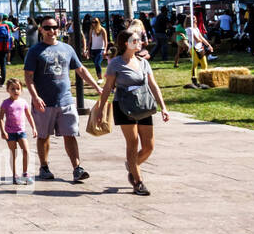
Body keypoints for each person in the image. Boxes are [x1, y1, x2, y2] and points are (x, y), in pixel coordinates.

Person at [23, 15, 102, 183]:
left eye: (55, 27)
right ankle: (44, 167)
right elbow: (28, 77)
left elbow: (81, 70)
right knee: (44, 136)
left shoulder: (67, 49)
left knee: (70, 134)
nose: (52, 31)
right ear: (41, 30)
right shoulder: (35, 51)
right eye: (47, 28)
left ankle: (77, 168)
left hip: (66, 101)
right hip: (44, 102)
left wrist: (96, 87)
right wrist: (35, 97)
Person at [93, 29, 170, 195]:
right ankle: (138, 181)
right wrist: (101, 109)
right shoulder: (116, 63)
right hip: (124, 105)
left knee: (149, 146)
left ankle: (132, 165)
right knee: (133, 144)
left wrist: (163, 107)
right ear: (125, 44)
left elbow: (153, 85)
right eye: (135, 41)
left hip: (143, 105)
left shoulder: (143, 62)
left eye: (139, 40)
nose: (139, 42)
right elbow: (107, 87)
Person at [0, 78, 37, 184]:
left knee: (26, 151)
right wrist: (3, 131)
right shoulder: (5, 103)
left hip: (21, 131)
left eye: (18, 89)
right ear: (8, 90)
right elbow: (1, 118)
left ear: (21, 90)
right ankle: (15, 175)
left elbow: (29, 116)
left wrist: (34, 128)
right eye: (12, 89)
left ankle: (25, 173)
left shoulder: (23, 102)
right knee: (14, 153)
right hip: (10, 132)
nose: (15, 91)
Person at [184, 16, 213, 89]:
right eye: (193, 19)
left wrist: (208, 45)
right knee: (195, 63)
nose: (195, 21)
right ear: (189, 21)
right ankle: (194, 79)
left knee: (204, 63)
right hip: (193, 48)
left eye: (195, 19)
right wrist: (199, 39)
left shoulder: (196, 28)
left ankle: (204, 78)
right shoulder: (188, 29)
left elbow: (201, 38)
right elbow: (197, 39)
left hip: (200, 47)